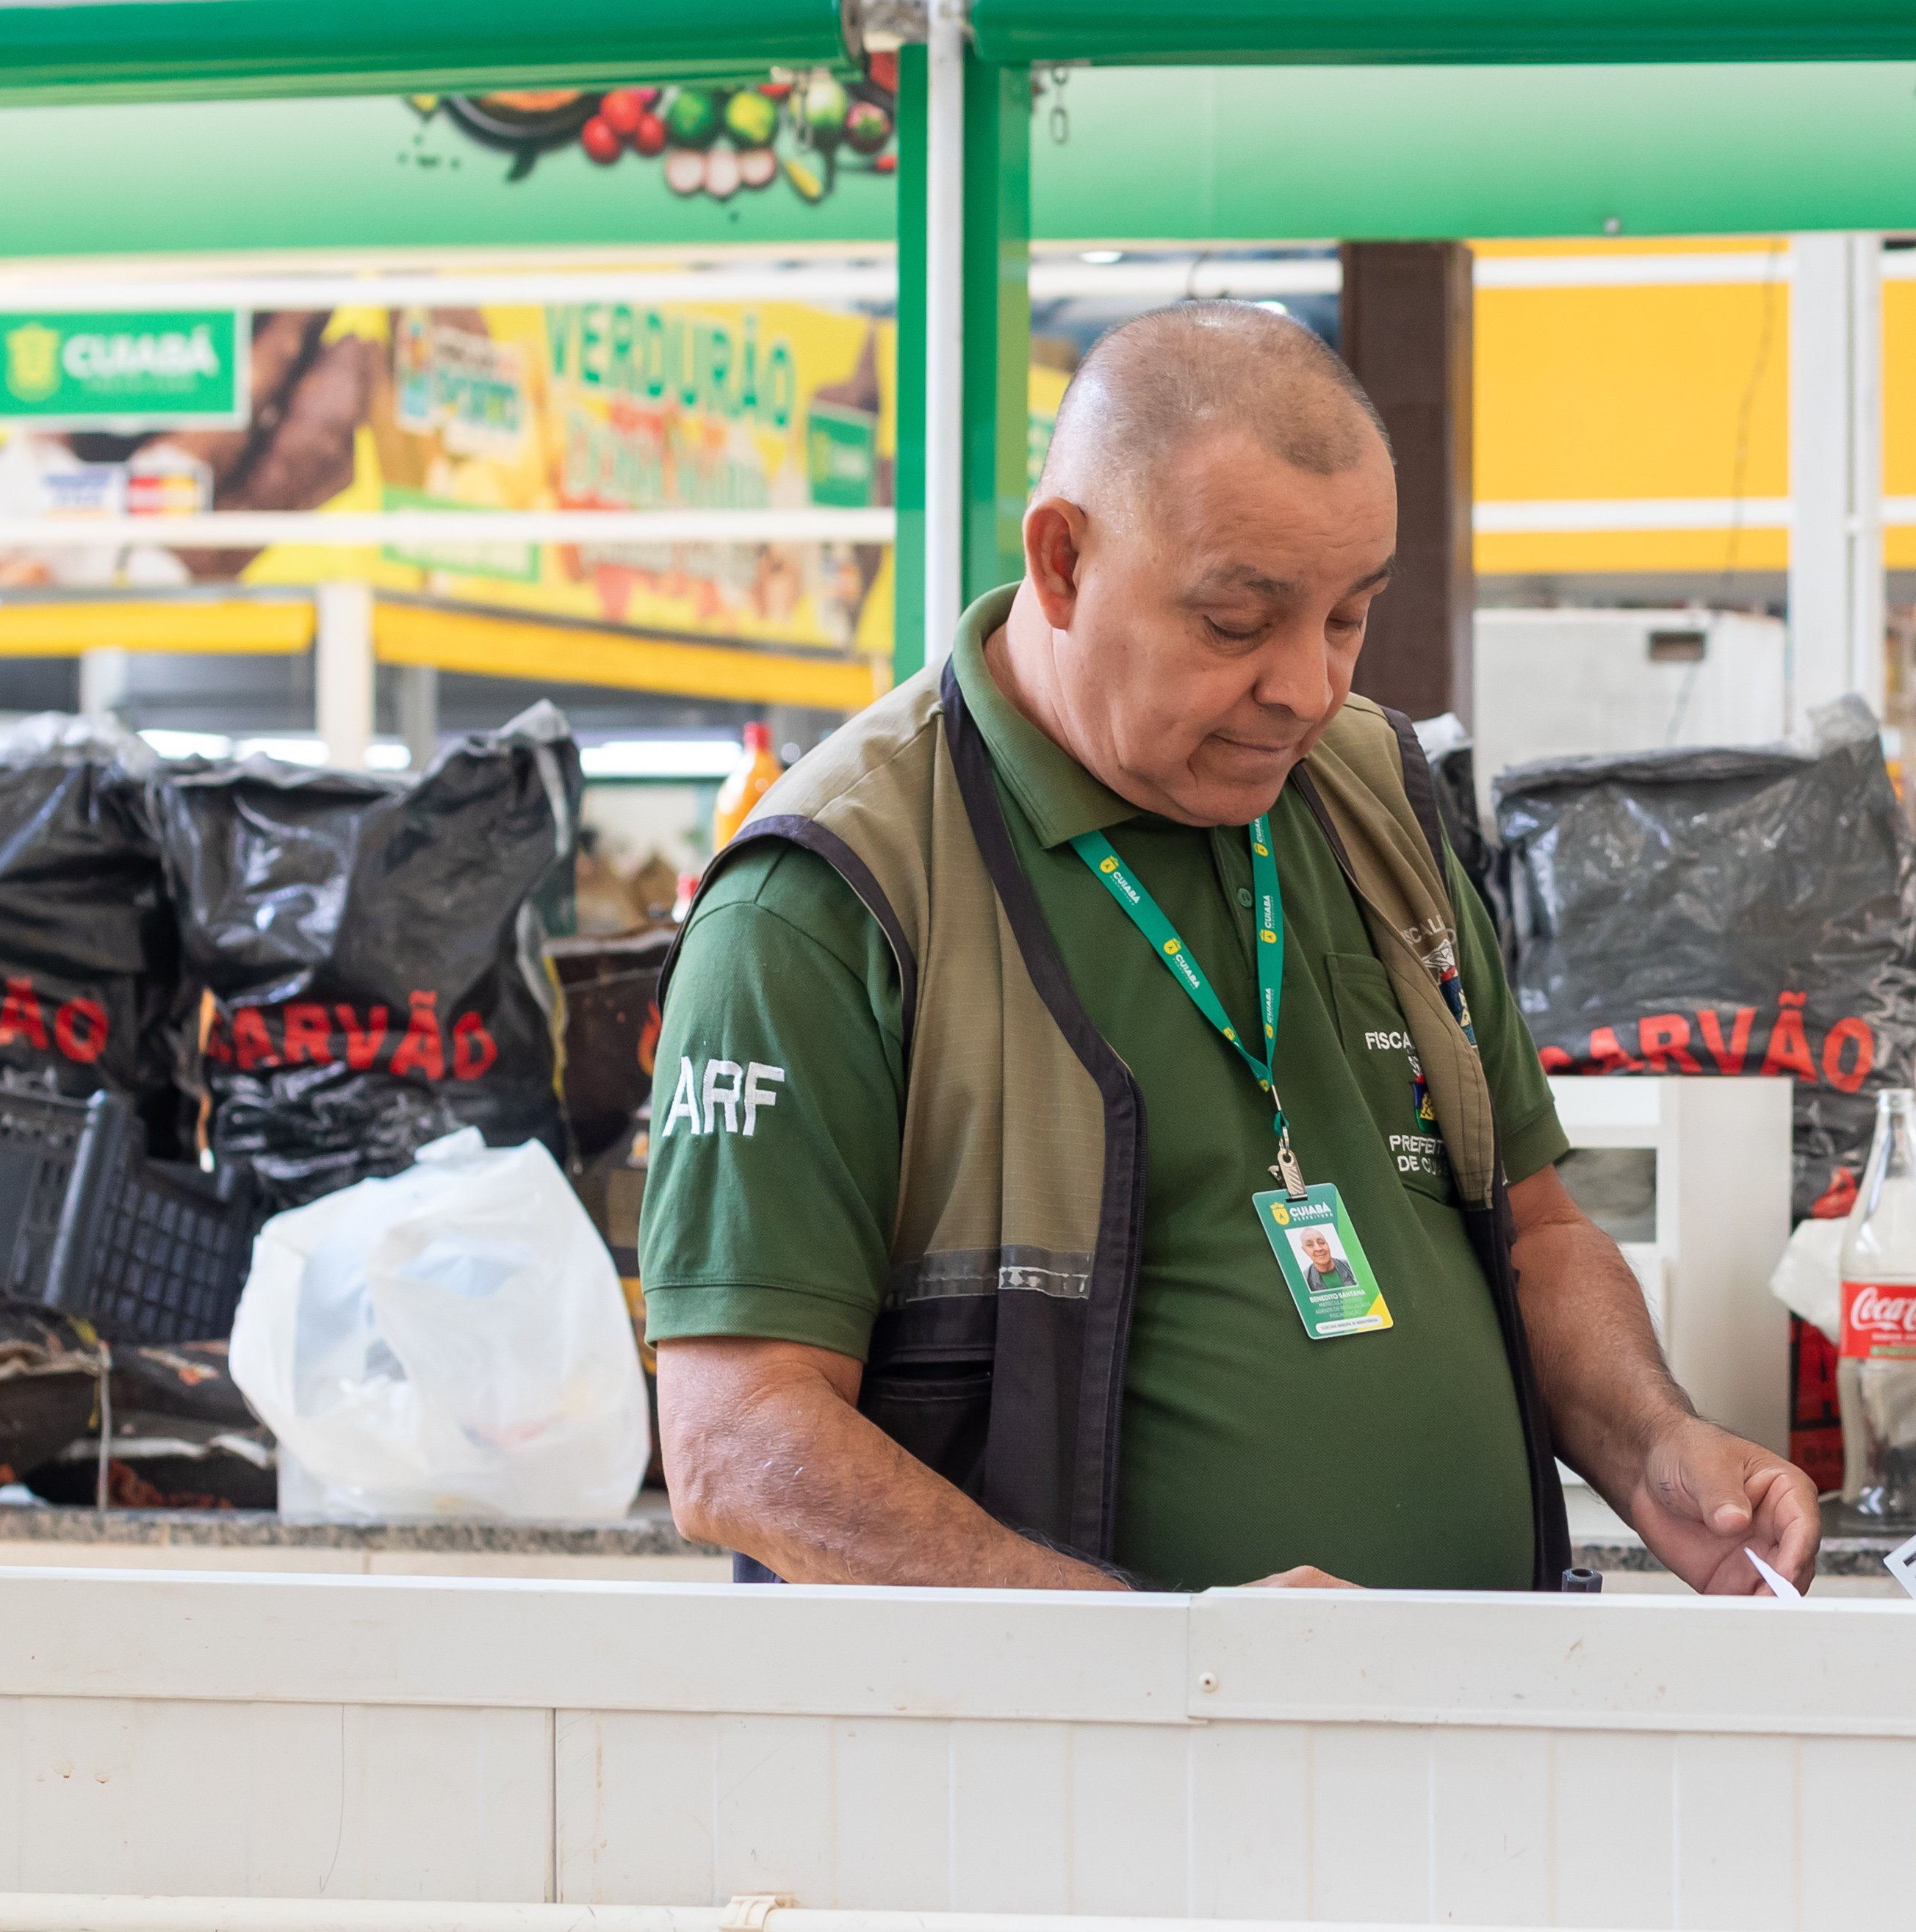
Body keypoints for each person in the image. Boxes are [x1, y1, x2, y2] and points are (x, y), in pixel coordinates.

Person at [640, 303, 1820, 1596]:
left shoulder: (1373, 796)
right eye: (1237, 621)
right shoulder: (828, 899)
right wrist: (1161, 1657)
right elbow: (737, 1440)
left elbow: (1536, 1230)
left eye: (1348, 617)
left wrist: (1656, 1443)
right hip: (1069, 1729)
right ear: (1062, 563)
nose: (1308, 687)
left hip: (1463, 1710)